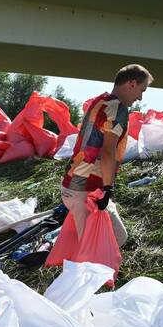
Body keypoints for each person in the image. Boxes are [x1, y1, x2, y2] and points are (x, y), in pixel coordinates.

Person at [61, 64, 151, 248]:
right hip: (86, 189)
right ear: (131, 84)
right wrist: (108, 188)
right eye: (141, 90)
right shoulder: (118, 109)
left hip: (73, 184)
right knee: (108, 242)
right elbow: (108, 151)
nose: (140, 98)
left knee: (95, 243)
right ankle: (84, 275)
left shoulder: (99, 102)